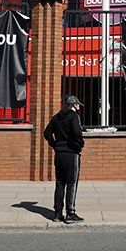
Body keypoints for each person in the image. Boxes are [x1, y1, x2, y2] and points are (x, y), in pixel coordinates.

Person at [44, 95, 85, 223]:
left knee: (60, 183)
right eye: (78, 105)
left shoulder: (56, 117)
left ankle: (57, 213)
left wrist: (55, 144)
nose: (79, 107)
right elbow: (78, 133)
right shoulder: (74, 117)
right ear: (73, 105)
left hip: (59, 154)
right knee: (72, 183)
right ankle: (70, 213)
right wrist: (80, 144)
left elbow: (46, 133)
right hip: (72, 154)